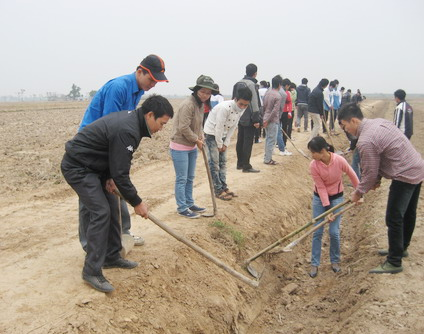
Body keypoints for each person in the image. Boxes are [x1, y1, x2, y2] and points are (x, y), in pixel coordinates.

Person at [61, 95, 174, 292]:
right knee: (100, 211)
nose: (161, 129)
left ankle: (112, 256)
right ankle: (91, 270)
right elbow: (122, 174)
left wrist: (108, 177)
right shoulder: (128, 129)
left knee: (113, 207)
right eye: (162, 123)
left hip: (95, 167)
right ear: (150, 115)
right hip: (78, 167)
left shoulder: (134, 125)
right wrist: (137, 202)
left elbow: (113, 161)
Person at [78, 54, 169, 250]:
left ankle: (122, 234)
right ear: (139, 71)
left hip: (112, 142)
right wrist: (111, 168)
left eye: (156, 81)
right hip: (92, 147)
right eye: (151, 79)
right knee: (92, 198)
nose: (153, 84)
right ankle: (89, 244)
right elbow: (111, 125)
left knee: (116, 188)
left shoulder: (137, 90)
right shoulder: (119, 87)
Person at [338, 103, 424, 274]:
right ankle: (400, 248)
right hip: (417, 167)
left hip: (405, 175)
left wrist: (358, 192)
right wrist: (376, 180)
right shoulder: (378, 123)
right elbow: (378, 162)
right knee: (408, 213)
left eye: (344, 126)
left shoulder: (366, 140)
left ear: (354, 120)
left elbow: (369, 174)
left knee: (394, 217)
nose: (345, 130)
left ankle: (394, 261)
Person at [307, 136, 360, 278]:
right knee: (317, 231)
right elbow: (321, 187)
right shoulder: (314, 165)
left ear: (323, 150)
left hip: (337, 198)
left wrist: (359, 193)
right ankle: (314, 263)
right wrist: (327, 209)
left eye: (313, 152)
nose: (312, 156)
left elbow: (352, 174)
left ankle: (335, 261)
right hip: (320, 198)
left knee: (334, 232)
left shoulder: (339, 160)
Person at [170, 75, 218, 218]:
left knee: (190, 177)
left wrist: (200, 136)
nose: (205, 95)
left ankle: (190, 203)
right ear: (197, 90)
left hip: (191, 147)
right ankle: (182, 207)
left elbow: (198, 125)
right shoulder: (188, 105)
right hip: (180, 146)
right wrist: (196, 140)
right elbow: (183, 127)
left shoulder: (201, 105)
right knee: (182, 178)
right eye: (203, 91)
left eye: (208, 93)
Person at [204, 86, 252, 200]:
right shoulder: (225, 108)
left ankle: (224, 187)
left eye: (246, 105)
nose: (243, 107)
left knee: (223, 163)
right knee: (214, 164)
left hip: (223, 135)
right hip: (212, 134)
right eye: (241, 104)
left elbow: (233, 126)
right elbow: (219, 127)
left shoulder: (242, 109)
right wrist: (219, 144)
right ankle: (218, 190)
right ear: (235, 99)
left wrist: (226, 143)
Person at [233, 63, 261, 173]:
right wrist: (256, 119)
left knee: (240, 140)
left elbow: (233, 99)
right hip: (249, 117)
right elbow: (254, 103)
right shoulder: (251, 85)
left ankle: (239, 163)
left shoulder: (237, 83)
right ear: (255, 73)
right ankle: (246, 166)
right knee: (248, 141)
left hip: (239, 116)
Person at [262, 75, 283, 165]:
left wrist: (264, 119)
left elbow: (263, 106)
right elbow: (275, 111)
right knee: (271, 140)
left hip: (265, 117)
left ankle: (267, 157)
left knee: (268, 139)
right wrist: (268, 120)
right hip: (272, 120)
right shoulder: (277, 96)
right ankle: (268, 159)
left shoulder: (267, 93)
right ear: (279, 84)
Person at [281, 78, 293, 146]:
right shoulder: (286, 93)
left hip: (284, 112)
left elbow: (289, 102)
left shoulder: (286, 93)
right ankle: (282, 142)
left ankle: (283, 142)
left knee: (283, 127)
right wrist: (290, 111)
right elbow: (290, 103)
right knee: (284, 128)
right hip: (283, 112)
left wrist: (289, 111)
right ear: (286, 85)